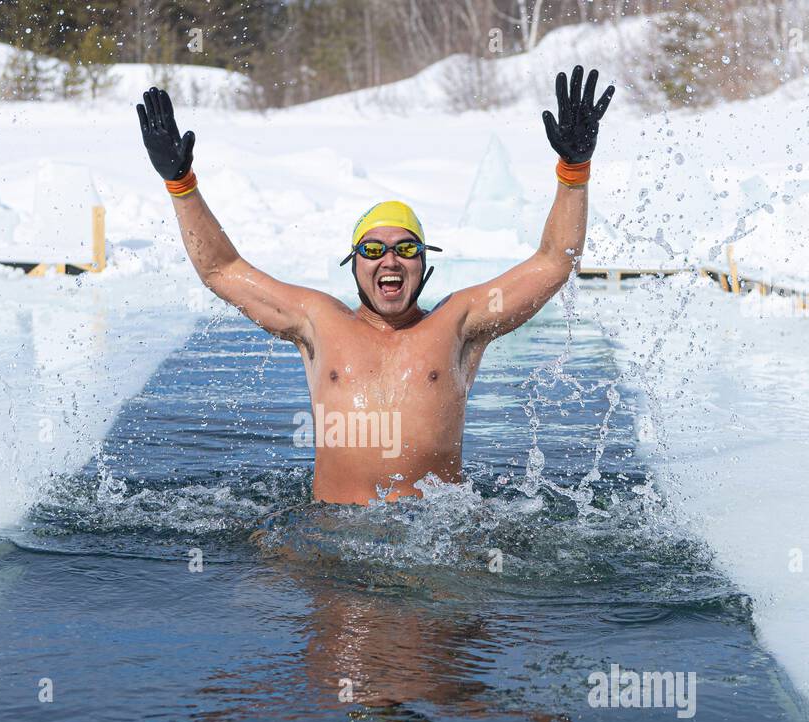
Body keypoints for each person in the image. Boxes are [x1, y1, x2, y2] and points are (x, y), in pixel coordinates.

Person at [137, 66, 615, 505]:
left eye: (406, 249)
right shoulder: (316, 321)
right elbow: (220, 269)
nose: (390, 260)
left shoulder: (460, 323)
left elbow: (555, 262)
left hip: (435, 540)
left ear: (425, 264)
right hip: (331, 534)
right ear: (354, 264)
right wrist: (181, 182)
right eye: (373, 250)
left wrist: (574, 170)